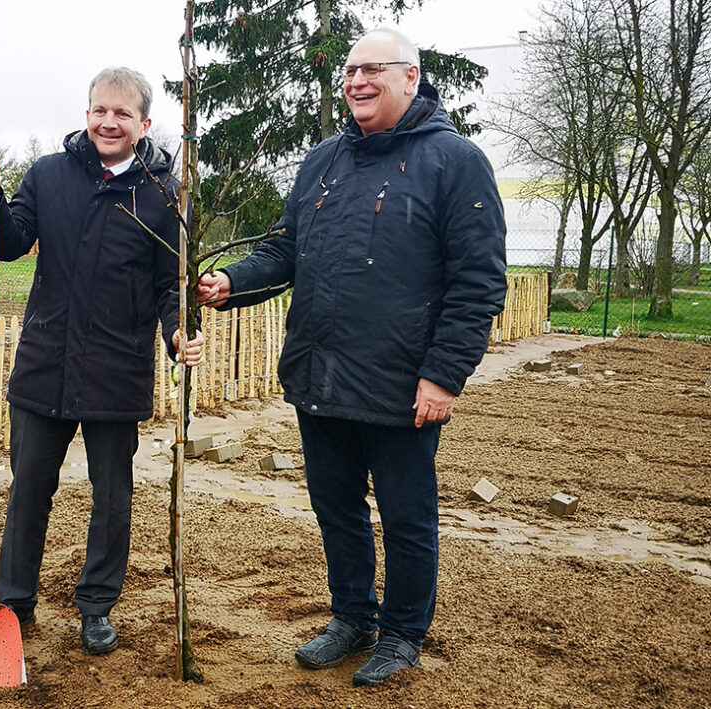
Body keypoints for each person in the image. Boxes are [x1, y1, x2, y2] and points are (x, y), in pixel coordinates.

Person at [198, 28, 506, 687]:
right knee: (336, 507)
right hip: (321, 374)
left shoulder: (455, 161)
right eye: (350, 72)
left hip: (403, 385)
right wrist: (233, 283)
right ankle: (352, 617)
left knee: (405, 516)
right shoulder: (322, 162)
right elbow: (285, 251)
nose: (357, 81)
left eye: (374, 70)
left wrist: (443, 374)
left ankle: (400, 633)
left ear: (411, 78)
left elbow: (478, 281)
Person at [0, 67, 203, 655]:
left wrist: (178, 333)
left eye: (122, 114)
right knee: (28, 490)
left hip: (116, 369)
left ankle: (96, 606)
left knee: (112, 495)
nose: (108, 122)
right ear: (87, 114)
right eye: (100, 110)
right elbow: (13, 241)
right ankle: (15, 604)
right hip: (45, 364)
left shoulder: (163, 193)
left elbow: (169, 283)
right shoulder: (48, 175)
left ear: (144, 124)